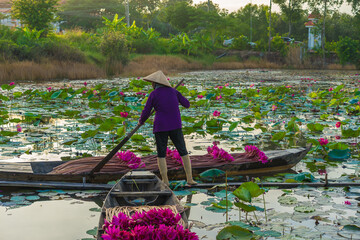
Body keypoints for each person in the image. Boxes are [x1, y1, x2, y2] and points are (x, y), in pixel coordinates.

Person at [139, 70, 197, 186]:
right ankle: (190, 179)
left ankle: (165, 181)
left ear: (155, 84)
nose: (152, 85)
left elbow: (146, 111)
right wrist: (176, 95)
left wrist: (141, 121)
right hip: (175, 125)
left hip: (161, 126)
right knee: (183, 151)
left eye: (152, 83)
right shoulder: (174, 92)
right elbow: (187, 104)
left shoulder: (153, 94)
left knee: (161, 154)